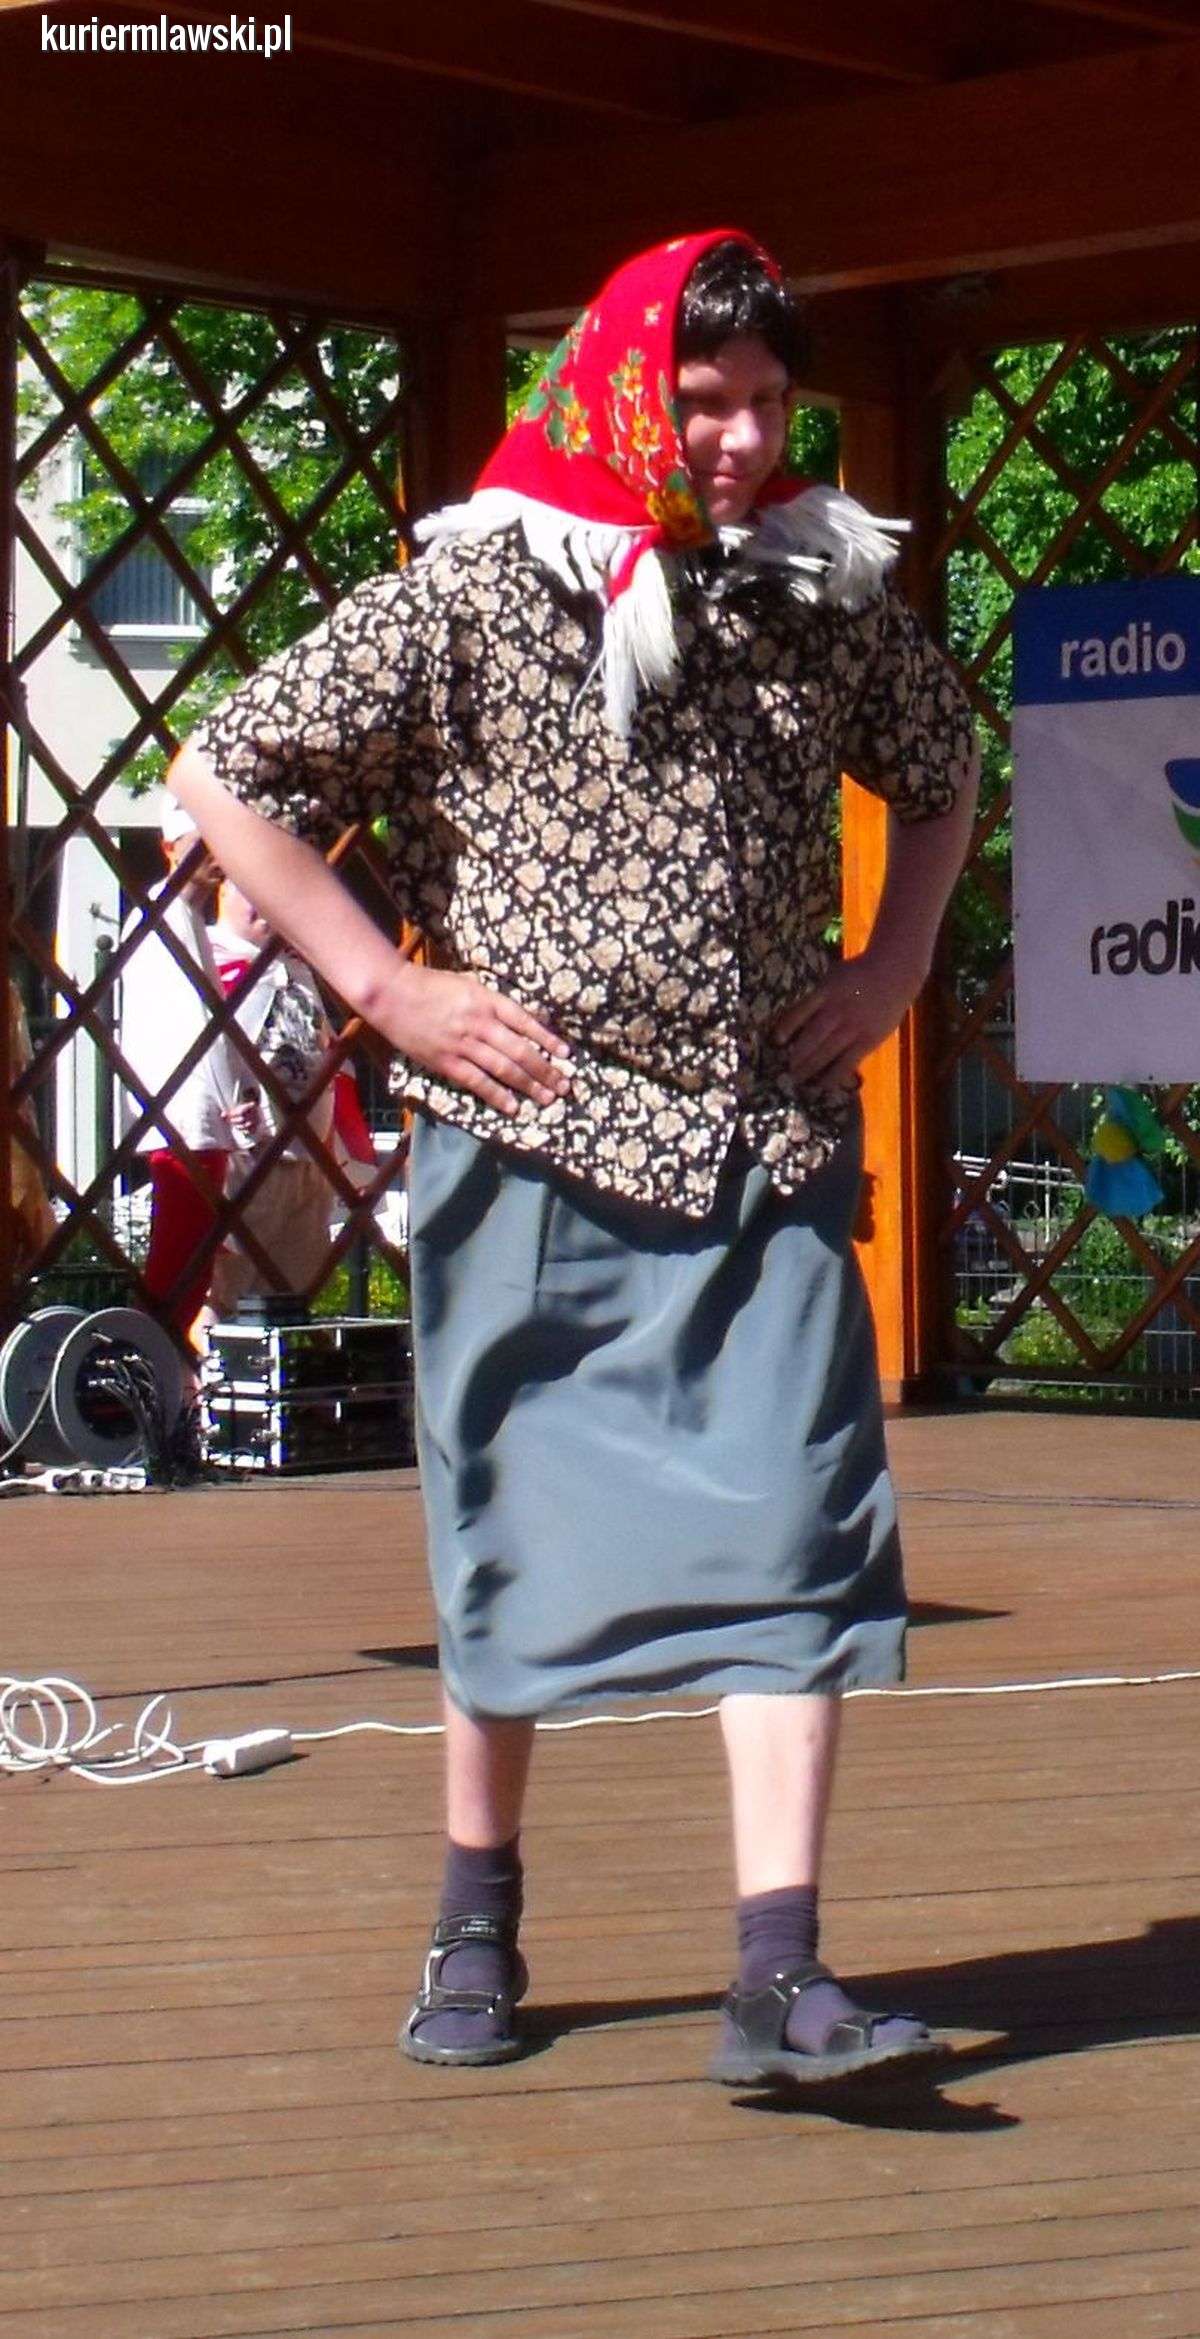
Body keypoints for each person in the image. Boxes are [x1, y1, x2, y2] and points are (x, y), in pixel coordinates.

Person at [167, 230, 979, 2088]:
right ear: (626, 392)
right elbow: (225, 772)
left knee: (803, 1525)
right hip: (530, 1131)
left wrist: (892, 967)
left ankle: (780, 1967)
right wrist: (391, 989)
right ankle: (476, 1914)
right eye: (706, 402)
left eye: (769, 402)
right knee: (514, 1531)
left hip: (761, 1127)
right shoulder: (480, 584)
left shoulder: (818, 591)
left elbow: (944, 772)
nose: (743, 438)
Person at [116, 803, 256, 1340]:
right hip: (186, 1113)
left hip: (193, 1112)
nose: (218, 852)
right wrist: (228, 1096)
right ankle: (151, 1356)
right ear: (170, 847)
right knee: (180, 1258)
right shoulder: (166, 916)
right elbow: (193, 1023)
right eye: (204, 839)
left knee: (191, 1257)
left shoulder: (180, 917)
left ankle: (162, 1356)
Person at [205, 876, 345, 1318]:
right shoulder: (205, 960)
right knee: (224, 1293)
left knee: (293, 1294)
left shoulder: (296, 967)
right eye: (249, 888)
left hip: (307, 1158)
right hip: (245, 1159)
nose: (265, 902)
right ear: (222, 890)